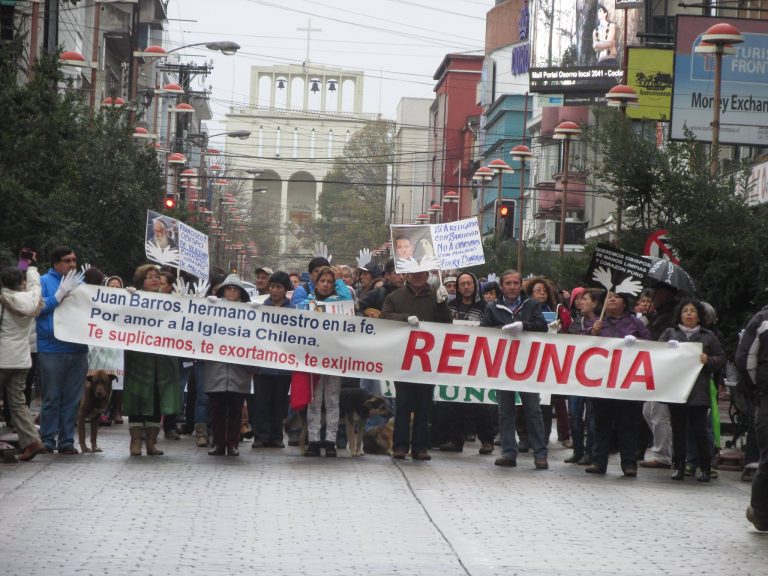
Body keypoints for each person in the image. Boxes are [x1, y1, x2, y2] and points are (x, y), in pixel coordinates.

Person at [480, 269, 549, 470]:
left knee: (533, 411)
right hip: (503, 366)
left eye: (515, 283)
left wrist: (523, 325)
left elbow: (542, 327)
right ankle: (509, 453)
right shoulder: (493, 307)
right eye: (508, 283)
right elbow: (484, 331)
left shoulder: (532, 305)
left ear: (521, 286)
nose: (511, 287)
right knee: (505, 411)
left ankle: (540, 454)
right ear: (501, 286)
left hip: (527, 365)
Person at [382, 271, 452, 460]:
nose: (418, 276)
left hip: (427, 360)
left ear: (428, 274)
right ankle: (400, 446)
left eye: (421, 273)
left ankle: (421, 447)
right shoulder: (395, 297)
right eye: (414, 273)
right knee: (403, 404)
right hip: (403, 359)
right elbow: (384, 317)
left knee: (424, 405)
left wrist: (442, 303)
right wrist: (405, 318)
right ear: (407, 274)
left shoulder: (435, 295)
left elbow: (447, 323)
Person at [583, 291, 651, 477]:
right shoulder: (597, 322)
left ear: (625, 302)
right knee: (601, 424)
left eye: (616, 297)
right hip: (602, 381)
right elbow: (579, 345)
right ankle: (598, 462)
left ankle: (629, 464)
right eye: (608, 297)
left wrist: (637, 342)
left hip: (626, 383)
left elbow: (650, 345)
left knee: (627, 424)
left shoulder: (634, 323)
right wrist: (592, 332)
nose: (611, 300)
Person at [659, 299, 724, 482]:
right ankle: (678, 466)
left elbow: (721, 358)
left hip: (698, 390)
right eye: (685, 311)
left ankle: (705, 467)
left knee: (699, 431)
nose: (688, 314)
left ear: (699, 316)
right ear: (680, 314)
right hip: (676, 389)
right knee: (678, 430)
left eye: (692, 311)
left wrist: (709, 360)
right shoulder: (670, 333)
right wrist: (666, 349)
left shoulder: (708, 336)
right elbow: (656, 354)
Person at [294, 265, 353, 456]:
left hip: (334, 358)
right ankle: (313, 440)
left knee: (332, 401)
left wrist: (339, 281)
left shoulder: (340, 302)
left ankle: (330, 441)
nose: (326, 285)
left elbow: (349, 303)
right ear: (316, 283)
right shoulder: (307, 303)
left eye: (329, 282)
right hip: (312, 358)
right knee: (314, 401)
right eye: (322, 281)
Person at [123, 264, 180, 456]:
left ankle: (152, 442)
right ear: (141, 281)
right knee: (138, 395)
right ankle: (136, 441)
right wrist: (127, 299)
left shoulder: (169, 301)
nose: (155, 279)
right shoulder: (133, 299)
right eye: (149, 276)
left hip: (162, 359)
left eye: (157, 276)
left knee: (157, 396)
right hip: (139, 357)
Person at [436, 271, 495, 455]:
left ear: (475, 285)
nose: (466, 287)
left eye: (469, 283)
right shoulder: (451, 305)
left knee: (478, 402)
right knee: (453, 402)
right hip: (453, 360)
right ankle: (455, 440)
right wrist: (439, 305)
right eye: (462, 284)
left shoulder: (486, 307)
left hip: (476, 360)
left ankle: (487, 440)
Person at [37, 246, 87, 454]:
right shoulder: (42, 282)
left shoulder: (80, 283)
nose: (72, 264)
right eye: (67, 261)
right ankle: (48, 439)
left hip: (77, 348)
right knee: (51, 398)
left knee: (72, 399)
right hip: (52, 348)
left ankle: (66, 441)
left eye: (74, 260)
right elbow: (37, 308)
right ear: (55, 263)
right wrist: (57, 295)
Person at [204, 274, 254, 456]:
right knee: (217, 410)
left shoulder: (250, 312)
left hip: (238, 370)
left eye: (235, 289)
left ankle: (232, 444)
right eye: (228, 288)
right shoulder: (212, 309)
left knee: (235, 410)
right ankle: (218, 443)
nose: (232, 291)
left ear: (240, 292)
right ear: (223, 290)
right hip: (216, 368)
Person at [0, 265, 46, 461]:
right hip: (22, 359)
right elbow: (36, 285)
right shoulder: (31, 298)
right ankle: (32, 441)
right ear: (21, 283)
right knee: (18, 402)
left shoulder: (3, 300)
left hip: (3, 357)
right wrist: (32, 269)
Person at [525, 276, 571, 447]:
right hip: (531, 359)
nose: (542, 293)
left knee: (554, 399)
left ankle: (560, 436)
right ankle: (534, 436)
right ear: (530, 293)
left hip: (552, 358)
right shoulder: (525, 309)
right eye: (538, 290)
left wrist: (560, 324)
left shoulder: (557, 309)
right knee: (534, 401)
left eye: (544, 290)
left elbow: (568, 327)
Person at [251, 271, 294, 449]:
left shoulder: (293, 311)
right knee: (261, 402)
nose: (275, 290)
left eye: (279, 287)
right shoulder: (260, 308)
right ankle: (261, 436)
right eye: (272, 287)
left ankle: (276, 436)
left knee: (279, 402)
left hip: (283, 366)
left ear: (285, 290)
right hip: (263, 365)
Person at [735, 305, 768, 531]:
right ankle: (761, 511)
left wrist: (756, 390)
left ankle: (760, 512)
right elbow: (745, 360)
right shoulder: (763, 319)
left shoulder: (763, 319)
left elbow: (745, 360)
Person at [565, 288, 601, 465]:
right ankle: (577, 450)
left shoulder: (602, 323)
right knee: (574, 414)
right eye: (579, 299)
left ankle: (591, 451)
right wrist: (589, 333)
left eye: (585, 299)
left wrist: (597, 332)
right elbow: (573, 340)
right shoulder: (576, 323)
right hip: (576, 376)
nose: (580, 302)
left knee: (592, 416)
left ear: (594, 303)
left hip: (595, 376)